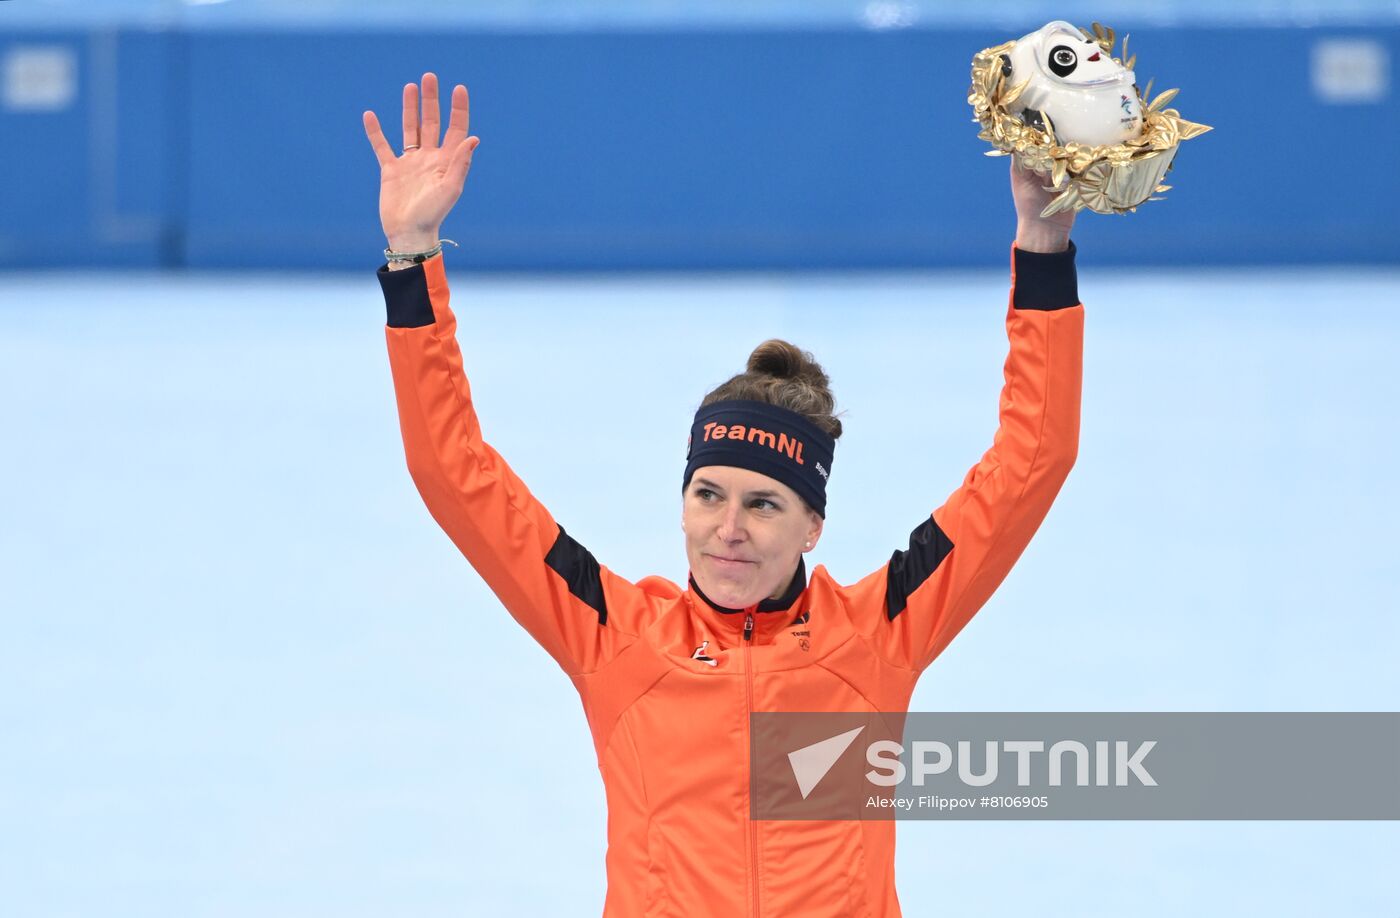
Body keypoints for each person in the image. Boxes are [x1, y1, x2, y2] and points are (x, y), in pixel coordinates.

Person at [363, 72, 1081, 918]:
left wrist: (1042, 242)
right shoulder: (614, 636)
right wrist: (413, 259)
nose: (727, 530)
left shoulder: (881, 632)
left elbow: (1035, 457)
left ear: (814, 524)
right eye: (708, 494)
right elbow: (453, 474)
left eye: (764, 504)